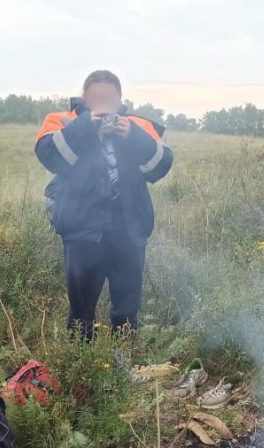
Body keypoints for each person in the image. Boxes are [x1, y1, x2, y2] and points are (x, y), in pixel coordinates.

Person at [34, 70, 173, 342]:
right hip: (82, 230)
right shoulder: (63, 120)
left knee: (126, 311)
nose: (103, 103)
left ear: (120, 98)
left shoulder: (137, 125)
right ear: (84, 98)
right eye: (96, 97)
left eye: (108, 97)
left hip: (129, 230)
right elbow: (49, 156)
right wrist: (86, 127)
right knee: (81, 312)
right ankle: (82, 362)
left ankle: (122, 360)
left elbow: (160, 166)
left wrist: (132, 136)